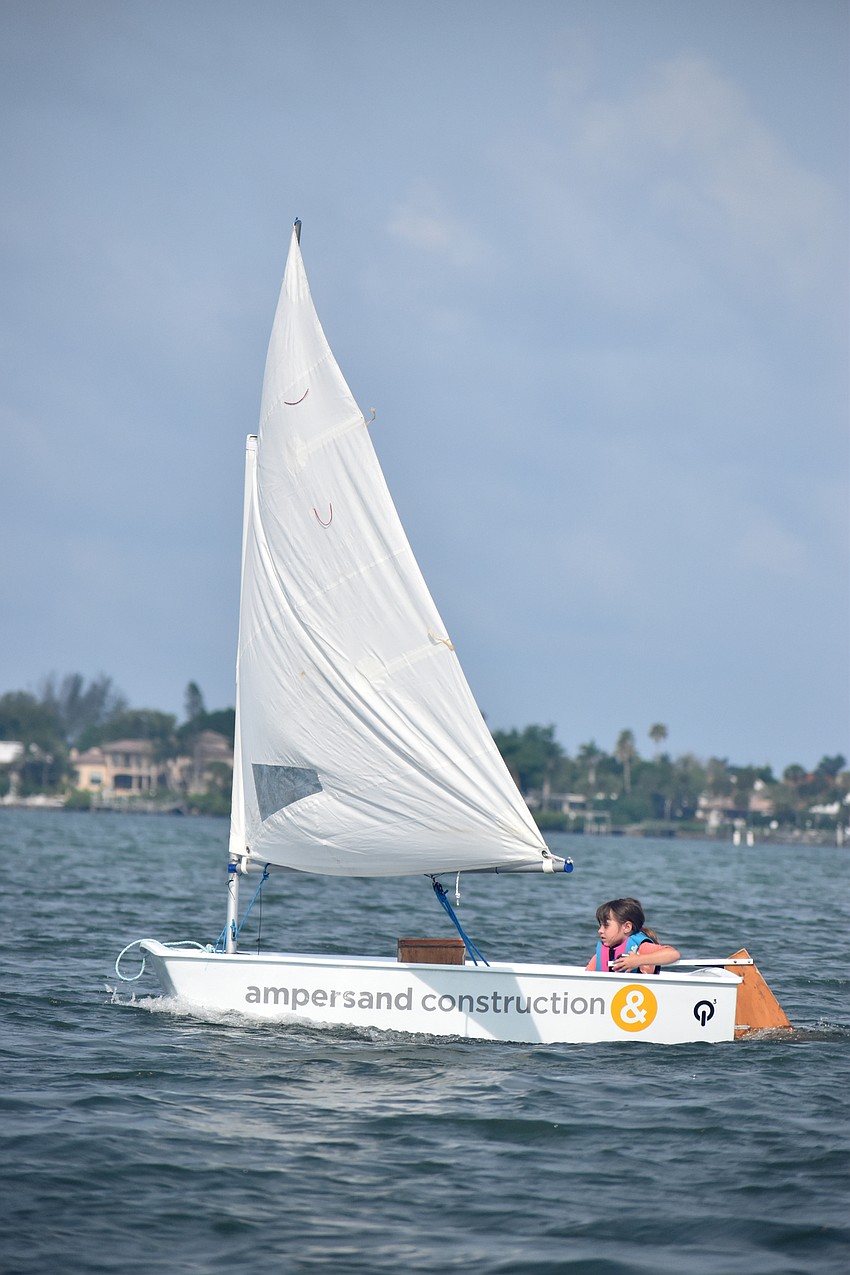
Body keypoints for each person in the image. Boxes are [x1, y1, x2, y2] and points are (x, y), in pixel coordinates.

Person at [586, 897, 680, 975]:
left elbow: (673, 954)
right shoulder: (602, 952)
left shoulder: (640, 948)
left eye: (606, 925)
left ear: (627, 927)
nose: (600, 930)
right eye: (600, 925)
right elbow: (587, 976)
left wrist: (638, 960)